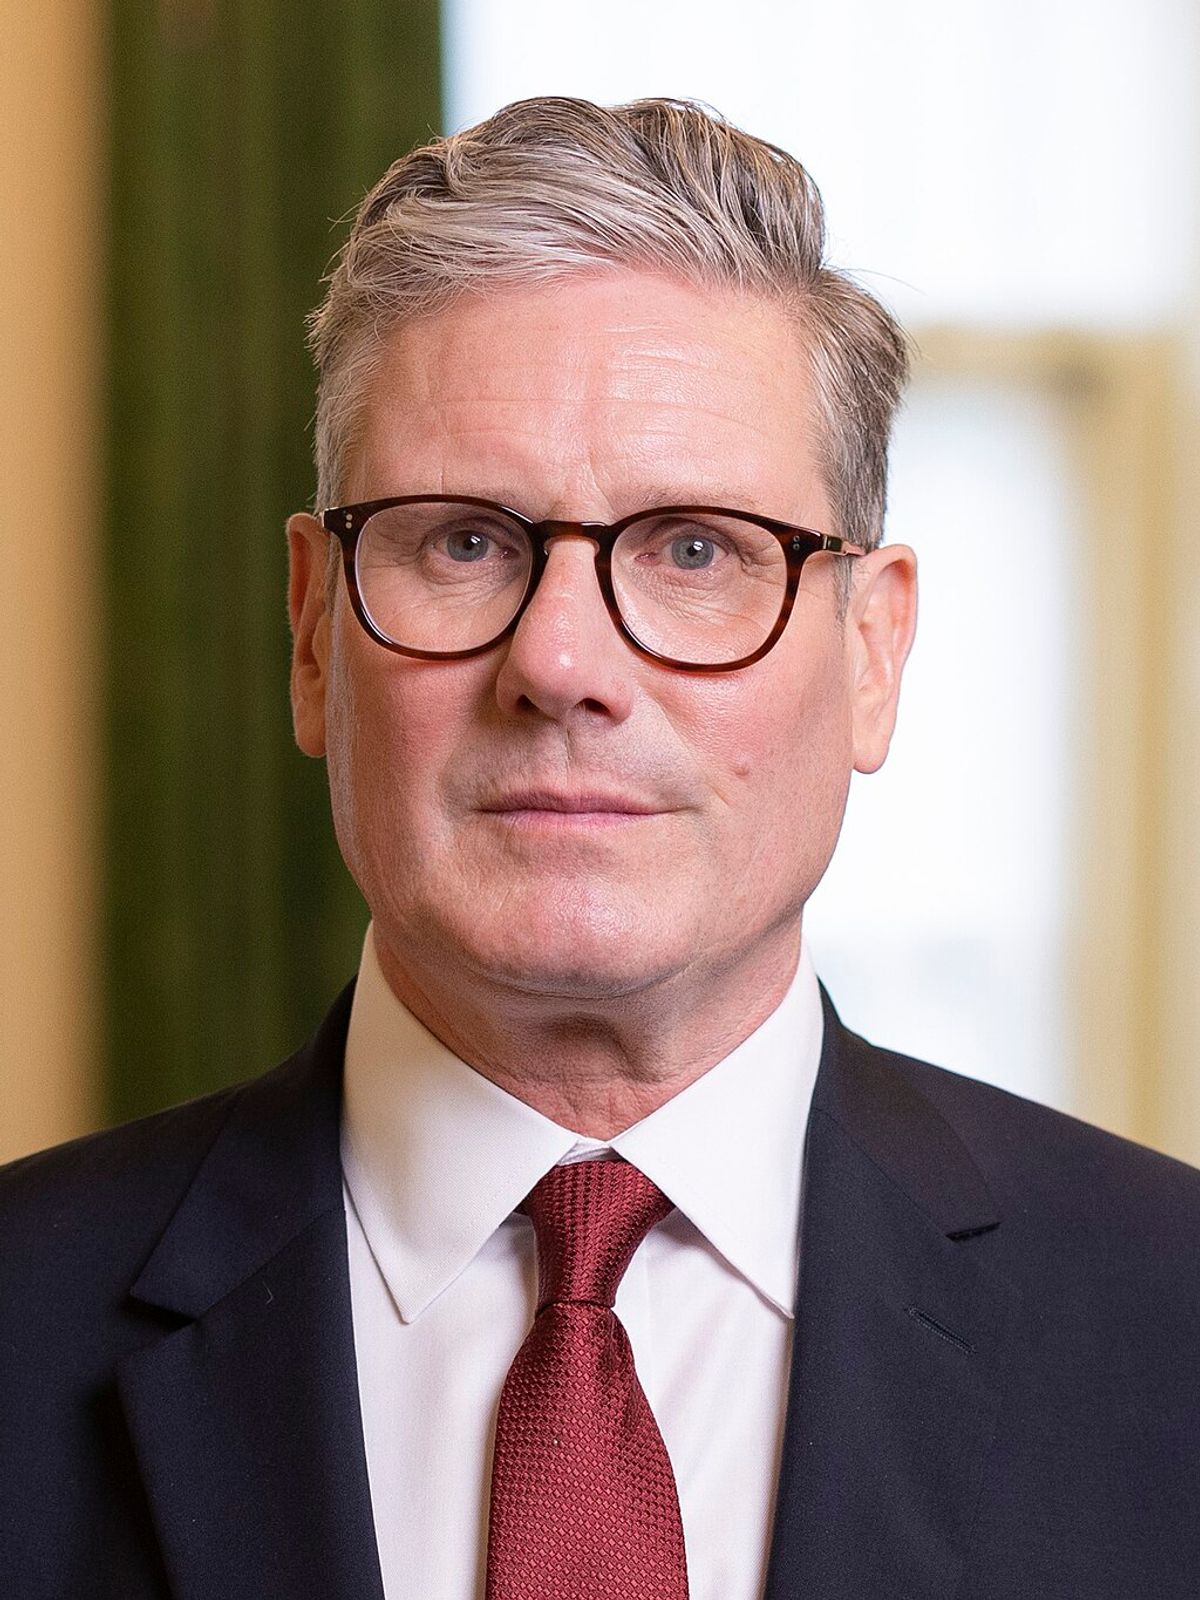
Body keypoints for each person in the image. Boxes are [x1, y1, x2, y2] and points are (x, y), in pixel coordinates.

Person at [2, 95, 1198, 1600]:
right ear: (313, 633)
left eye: (696, 549)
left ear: (875, 649)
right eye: (463, 542)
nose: (561, 661)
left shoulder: (1174, 1326)